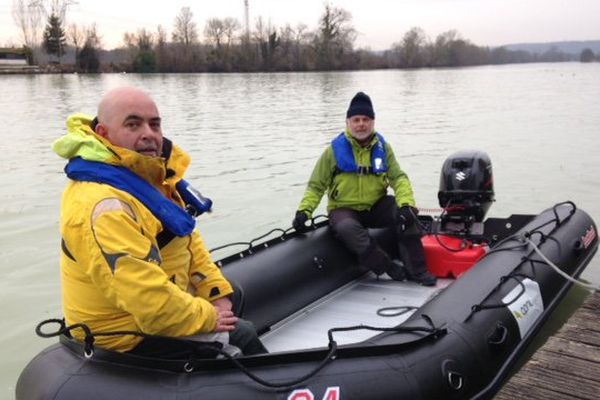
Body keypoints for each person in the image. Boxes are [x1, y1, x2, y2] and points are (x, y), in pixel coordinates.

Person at [53, 86, 267, 358]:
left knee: (231, 292)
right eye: (133, 124)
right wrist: (208, 317)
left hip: (147, 308)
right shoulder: (103, 205)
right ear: (103, 134)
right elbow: (149, 303)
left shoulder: (147, 176)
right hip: (122, 333)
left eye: (154, 124)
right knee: (242, 335)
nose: (149, 134)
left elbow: (187, 241)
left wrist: (214, 292)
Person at [292, 92, 436, 286]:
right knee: (346, 228)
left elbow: (399, 178)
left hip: (376, 205)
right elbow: (316, 185)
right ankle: (386, 266)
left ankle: (418, 270)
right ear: (348, 122)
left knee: (407, 214)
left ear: (373, 122)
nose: (361, 124)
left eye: (365, 119)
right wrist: (304, 211)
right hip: (344, 209)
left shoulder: (384, 148)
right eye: (356, 119)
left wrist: (405, 204)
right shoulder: (333, 151)